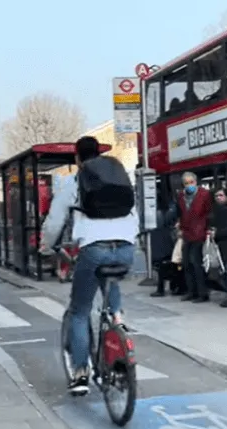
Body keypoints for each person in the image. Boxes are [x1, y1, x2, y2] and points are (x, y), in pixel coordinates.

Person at [40, 136, 138, 395]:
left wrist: (47, 247)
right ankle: (118, 320)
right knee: (111, 280)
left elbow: (54, 222)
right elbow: (134, 213)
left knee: (80, 311)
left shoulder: (74, 182)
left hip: (94, 249)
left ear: (77, 158)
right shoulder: (119, 177)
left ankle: (81, 373)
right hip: (127, 247)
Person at [167, 172, 212, 303]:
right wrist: (179, 225)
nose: (189, 185)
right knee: (186, 263)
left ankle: (202, 293)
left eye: (191, 182)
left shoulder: (204, 194)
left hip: (200, 232)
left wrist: (208, 229)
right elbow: (180, 213)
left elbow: (209, 213)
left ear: (195, 182)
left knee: (196, 263)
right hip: (186, 233)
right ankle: (191, 291)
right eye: (186, 183)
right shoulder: (181, 196)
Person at [149, 208, 176, 297]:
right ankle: (173, 286)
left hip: (161, 236)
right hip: (167, 236)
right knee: (169, 262)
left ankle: (162, 288)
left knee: (162, 263)